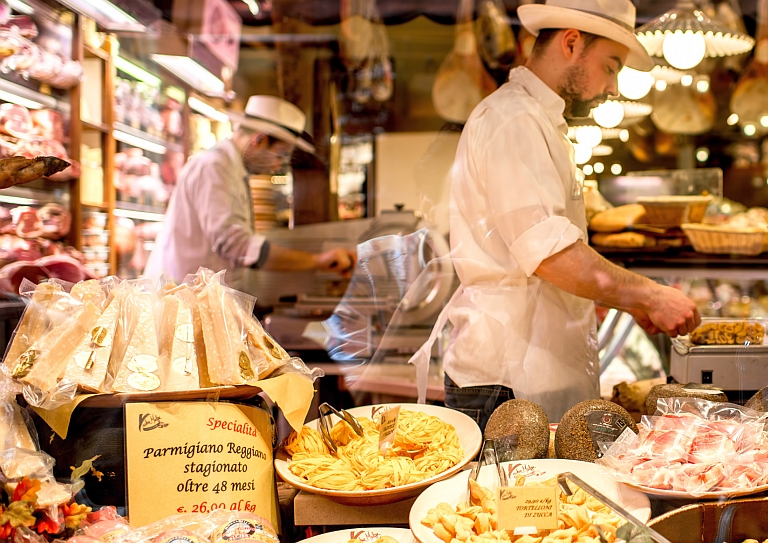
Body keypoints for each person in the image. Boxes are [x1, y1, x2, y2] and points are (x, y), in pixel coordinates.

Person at [419, 0, 701, 427]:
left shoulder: (538, 121)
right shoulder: (512, 120)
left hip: (533, 370)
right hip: (509, 379)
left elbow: (543, 252)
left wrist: (608, 296)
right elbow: (549, 254)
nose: (612, 87)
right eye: (611, 66)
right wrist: (649, 294)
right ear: (571, 43)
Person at [145, 95, 354, 288]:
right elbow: (236, 245)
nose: (276, 166)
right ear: (259, 139)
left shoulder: (231, 168)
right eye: (280, 156)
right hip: (179, 301)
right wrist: (317, 261)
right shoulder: (215, 167)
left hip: (196, 300)